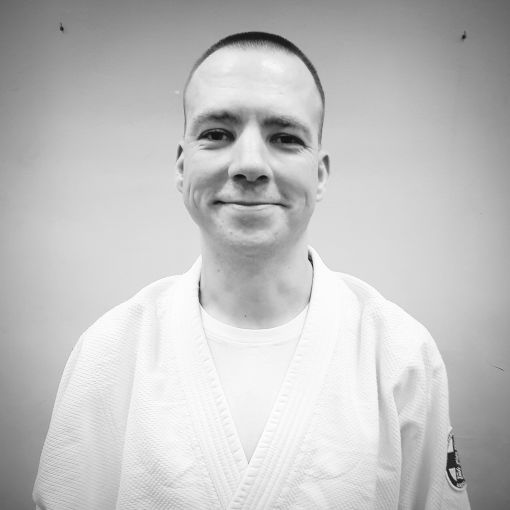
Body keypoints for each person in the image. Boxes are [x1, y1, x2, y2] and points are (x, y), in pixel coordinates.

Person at [33, 32, 470, 509]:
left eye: (285, 138)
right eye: (217, 134)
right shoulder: (109, 353)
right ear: (181, 166)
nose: (249, 165)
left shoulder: (400, 357)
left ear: (320, 174)